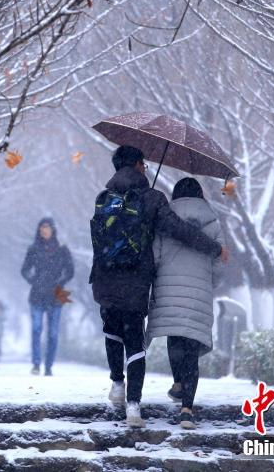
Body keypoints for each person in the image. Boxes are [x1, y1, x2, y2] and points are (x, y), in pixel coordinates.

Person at [90, 145, 228, 428]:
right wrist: (214, 248)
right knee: (134, 341)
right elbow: (179, 230)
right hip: (135, 281)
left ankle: (117, 382)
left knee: (112, 332)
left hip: (105, 278)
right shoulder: (153, 198)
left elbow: (98, 239)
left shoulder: (103, 198)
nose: (146, 168)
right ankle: (133, 408)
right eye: (144, 163)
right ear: (139, 165)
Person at [146, 177, 223, 430]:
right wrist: (208, 281)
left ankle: (178, 381)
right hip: (199, 291)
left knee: (175, 337)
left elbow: (155, 257)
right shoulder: (212, 221)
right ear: (200, 194)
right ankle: (187, 409)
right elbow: (218, 263)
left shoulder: (165, 219)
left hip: (168, 289)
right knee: (191, 349)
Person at [21, 217, 74, 376]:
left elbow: (70, 271)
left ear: (53, 230)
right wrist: (33, 281)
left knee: (53, 333)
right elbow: (24, 269)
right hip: (37, 294)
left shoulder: (62, 249)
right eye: (42, 227)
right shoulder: (33, 249)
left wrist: (61, 283)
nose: (44, 230)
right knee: (36, 329)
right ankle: (36, 364)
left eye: (47, 227)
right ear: (39, 230)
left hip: (57, 294)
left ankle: (49, 366)